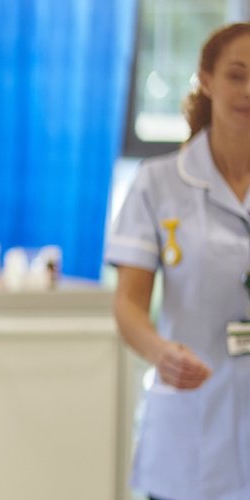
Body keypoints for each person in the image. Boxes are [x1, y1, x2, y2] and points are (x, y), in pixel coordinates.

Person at [107, 22, 250, 500]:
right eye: (237, 75)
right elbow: (129, 305)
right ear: (206, 80)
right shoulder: (158, 183)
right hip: (192, 430)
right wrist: (159, 352)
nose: (248, 91)